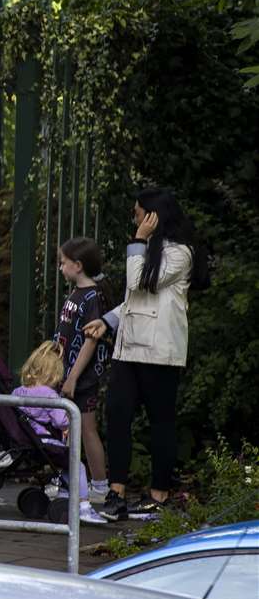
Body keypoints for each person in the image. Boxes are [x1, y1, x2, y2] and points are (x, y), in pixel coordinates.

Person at [85, 188, 206, 522]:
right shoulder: (145, 250)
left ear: (153, 217)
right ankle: (117, 492)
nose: (134, 219)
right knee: (118, 416)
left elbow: (139, 282)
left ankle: (159, 494)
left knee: (160, 423)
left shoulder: (181, 254)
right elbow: (133, 299)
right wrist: (107, 320)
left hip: (160, 351)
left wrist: (139, 240)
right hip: (129, 348)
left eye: (138, 213)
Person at [10, 341, 103, 523]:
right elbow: (61, 420)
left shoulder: (17, 391)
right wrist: (68, 422)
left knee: (66, 464)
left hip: (29, 442)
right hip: (47, 443)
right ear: (53, 375)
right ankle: (84, 506)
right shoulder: (50, 395)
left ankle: (64, 493)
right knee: (77, 465)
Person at [54, 237, 112, 508]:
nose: (60, 268)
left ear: (78, 265)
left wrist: (73, 377)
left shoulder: (91, 297)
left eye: (63, 263)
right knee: (68, 429)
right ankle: (70, 481)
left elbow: (90, 341)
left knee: (87, 429)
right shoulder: (76, 293)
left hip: (81, 378)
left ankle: (99, 485)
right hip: (67, 374)